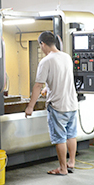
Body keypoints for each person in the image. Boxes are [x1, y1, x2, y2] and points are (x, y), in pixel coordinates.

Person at [24, 31, 78, 175]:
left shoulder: (46, 61)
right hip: (72, 104)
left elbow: (37, 85)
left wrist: (30, 106)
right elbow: (61, 78)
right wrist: (48, 88)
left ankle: (63, 169)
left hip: (57, 106)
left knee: (60, 138)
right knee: (71, 135)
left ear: (42, 44)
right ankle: (71, 162)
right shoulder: (67, 57)